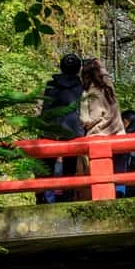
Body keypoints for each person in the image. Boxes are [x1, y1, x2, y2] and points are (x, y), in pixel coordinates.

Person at [38, 52, 84, 204]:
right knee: (69, 170)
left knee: (46, 169)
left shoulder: (50, 85)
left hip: (49, 130)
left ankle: (44, 200)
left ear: (61, 67)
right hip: (72, 131)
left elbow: (43, 108)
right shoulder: (81, 87)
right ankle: (67, 200)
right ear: (78, 69)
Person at [79, 57, 126, 194]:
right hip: (119, 135)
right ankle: (120, 195)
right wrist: (99, 66)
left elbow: (88, 119)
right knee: (118, 177)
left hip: (98, 137)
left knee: (100, 181)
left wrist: (85, 124)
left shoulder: (88, 93)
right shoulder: (109, 89)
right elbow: (106, 76)